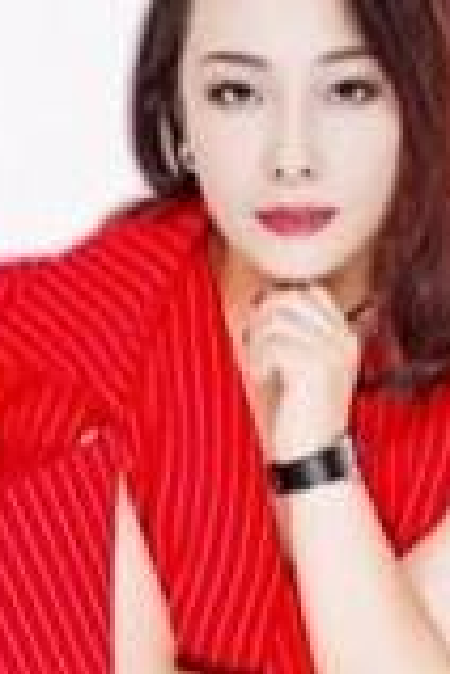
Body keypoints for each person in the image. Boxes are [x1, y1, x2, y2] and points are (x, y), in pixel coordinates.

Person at [2, 0, 450, 673]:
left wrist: (317, 464)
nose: (291, 158)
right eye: (237, 92)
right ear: (180, 115)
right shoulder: (54, 341)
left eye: (350, 90)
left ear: (420, 106)